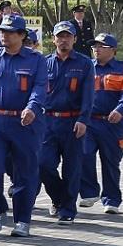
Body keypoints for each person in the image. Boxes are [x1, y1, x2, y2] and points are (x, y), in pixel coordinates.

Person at [0, 13, 47, 237]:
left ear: (21, 35)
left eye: (9, 32)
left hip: (25, 123)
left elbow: (39, 88)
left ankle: (23, 219)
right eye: (1, 32)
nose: (4, 36)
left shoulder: (36, 59)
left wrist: (32, 108)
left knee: (24, 173)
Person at [37, 21, 96, 222]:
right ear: (53, 39)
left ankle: (68, 209)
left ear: (74, 39)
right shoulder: (44, 63)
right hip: (48, 122)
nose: (64, 40)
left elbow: (89, 95)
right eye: (60, 36)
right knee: (43, 164)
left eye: (68, 36)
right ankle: (58, 197)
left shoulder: (84, 63)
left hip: (73, 122)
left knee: (72, 168)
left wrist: (83, 119)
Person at [77, 33, 123, 214]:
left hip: (112, 124)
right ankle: (89, 192)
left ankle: (111, 200)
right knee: (84, 155)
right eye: (94, 46)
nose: (96, 50)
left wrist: (120, 110)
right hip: (90, 121)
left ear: (113, 50)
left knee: (110, 162)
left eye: (101, 46)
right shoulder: (87, 68)